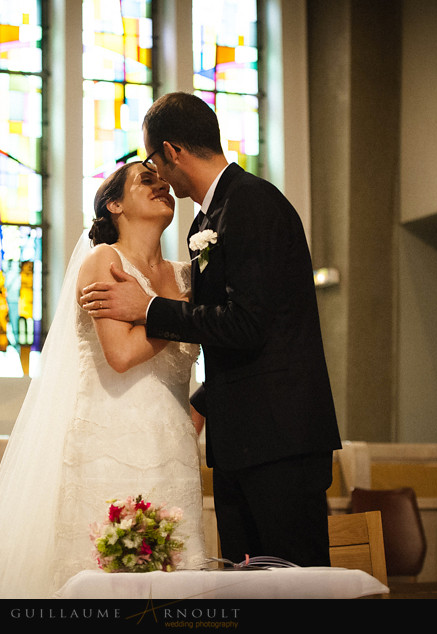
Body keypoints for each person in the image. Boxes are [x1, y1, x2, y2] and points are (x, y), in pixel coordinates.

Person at [80, 92, 341, 567]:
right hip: (243, 439)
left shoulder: (252, 203)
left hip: (279, 440)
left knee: (294, 586)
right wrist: (204, 402)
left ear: (172, 152)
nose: (157, 176)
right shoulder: (209, 218)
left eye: (154, 162)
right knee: (248, 583)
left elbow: (247, 323)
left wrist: (149, 307)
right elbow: (235, 332)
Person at [0, 162, 206, 599]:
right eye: (147, 181)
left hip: (175, 448)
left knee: (176, 579)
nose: (162, 186)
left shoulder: (186, 275)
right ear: (114, 205)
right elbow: (123, 354)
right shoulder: (105, 261)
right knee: (106, 576)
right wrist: (183, 314)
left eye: (164, 181)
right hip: (111, 441)